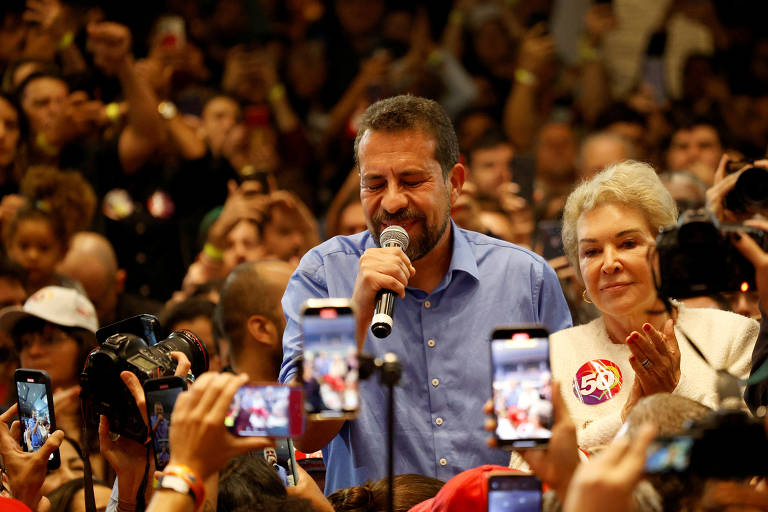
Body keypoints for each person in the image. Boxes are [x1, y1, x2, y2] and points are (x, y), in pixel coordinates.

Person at [279, 95, 571, 492]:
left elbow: (565, 431)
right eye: (375, 184)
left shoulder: (524, 278)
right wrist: (357, 313)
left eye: (412, 181)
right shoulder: (324, 274)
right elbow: (303, 435)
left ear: (455, 182)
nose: (393, 201)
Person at [553, 160, 758, 448]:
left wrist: (675, 389)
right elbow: (524, 467)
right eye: (592, 251)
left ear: (665, 251)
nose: (609, 264)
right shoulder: (555, 353)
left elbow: (749, 453)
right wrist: (626, 419)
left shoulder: (732, 336)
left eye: (628, 244)